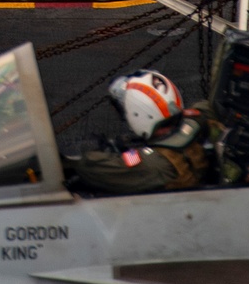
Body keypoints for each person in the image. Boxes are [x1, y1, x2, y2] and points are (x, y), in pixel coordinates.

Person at [68, 71, 212, 195]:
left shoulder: (151, 164)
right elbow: (204, 108)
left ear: (140, 114)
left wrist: (102, 149)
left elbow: (87, 166)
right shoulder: (196, 124)